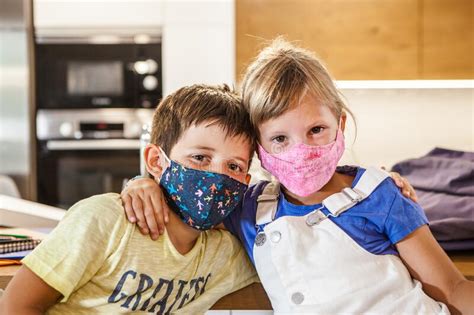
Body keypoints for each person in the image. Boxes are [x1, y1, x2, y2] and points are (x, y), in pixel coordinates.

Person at [120, 39, 474, 314]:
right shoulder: (247, 206)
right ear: (258, 148)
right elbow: (186, 201)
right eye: (279, 139)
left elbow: (452, 289)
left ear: (341, 125)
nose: (301, 149)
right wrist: (142, 183)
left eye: (317, 129)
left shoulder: (378, 194)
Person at [0, 84, 258, 314]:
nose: (216, 178)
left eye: (234, 167)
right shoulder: (105, 219)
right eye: (200, 158)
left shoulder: (225, 254)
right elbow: (16, 305)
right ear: (157, 162)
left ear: (245, 182)